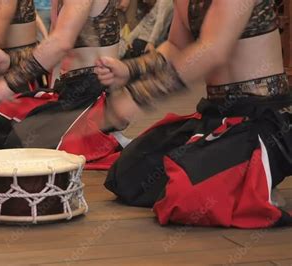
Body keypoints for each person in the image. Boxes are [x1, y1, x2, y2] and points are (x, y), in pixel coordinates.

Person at [95, 0, 292, 228]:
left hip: (263, 120)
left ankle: (255, 181)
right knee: (129, 175)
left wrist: (140, 95)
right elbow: (175, 47)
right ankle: (231, 176)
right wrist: (130, 69)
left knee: (186, 196)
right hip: (216, 116)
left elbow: (213, 50)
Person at [0, 0, 126, 169]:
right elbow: (50, 50)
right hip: (68, 90)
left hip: (95, 93)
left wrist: (8, 83)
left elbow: (61, 43)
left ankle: (106, 136)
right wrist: (10, 61)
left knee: (19, 143)